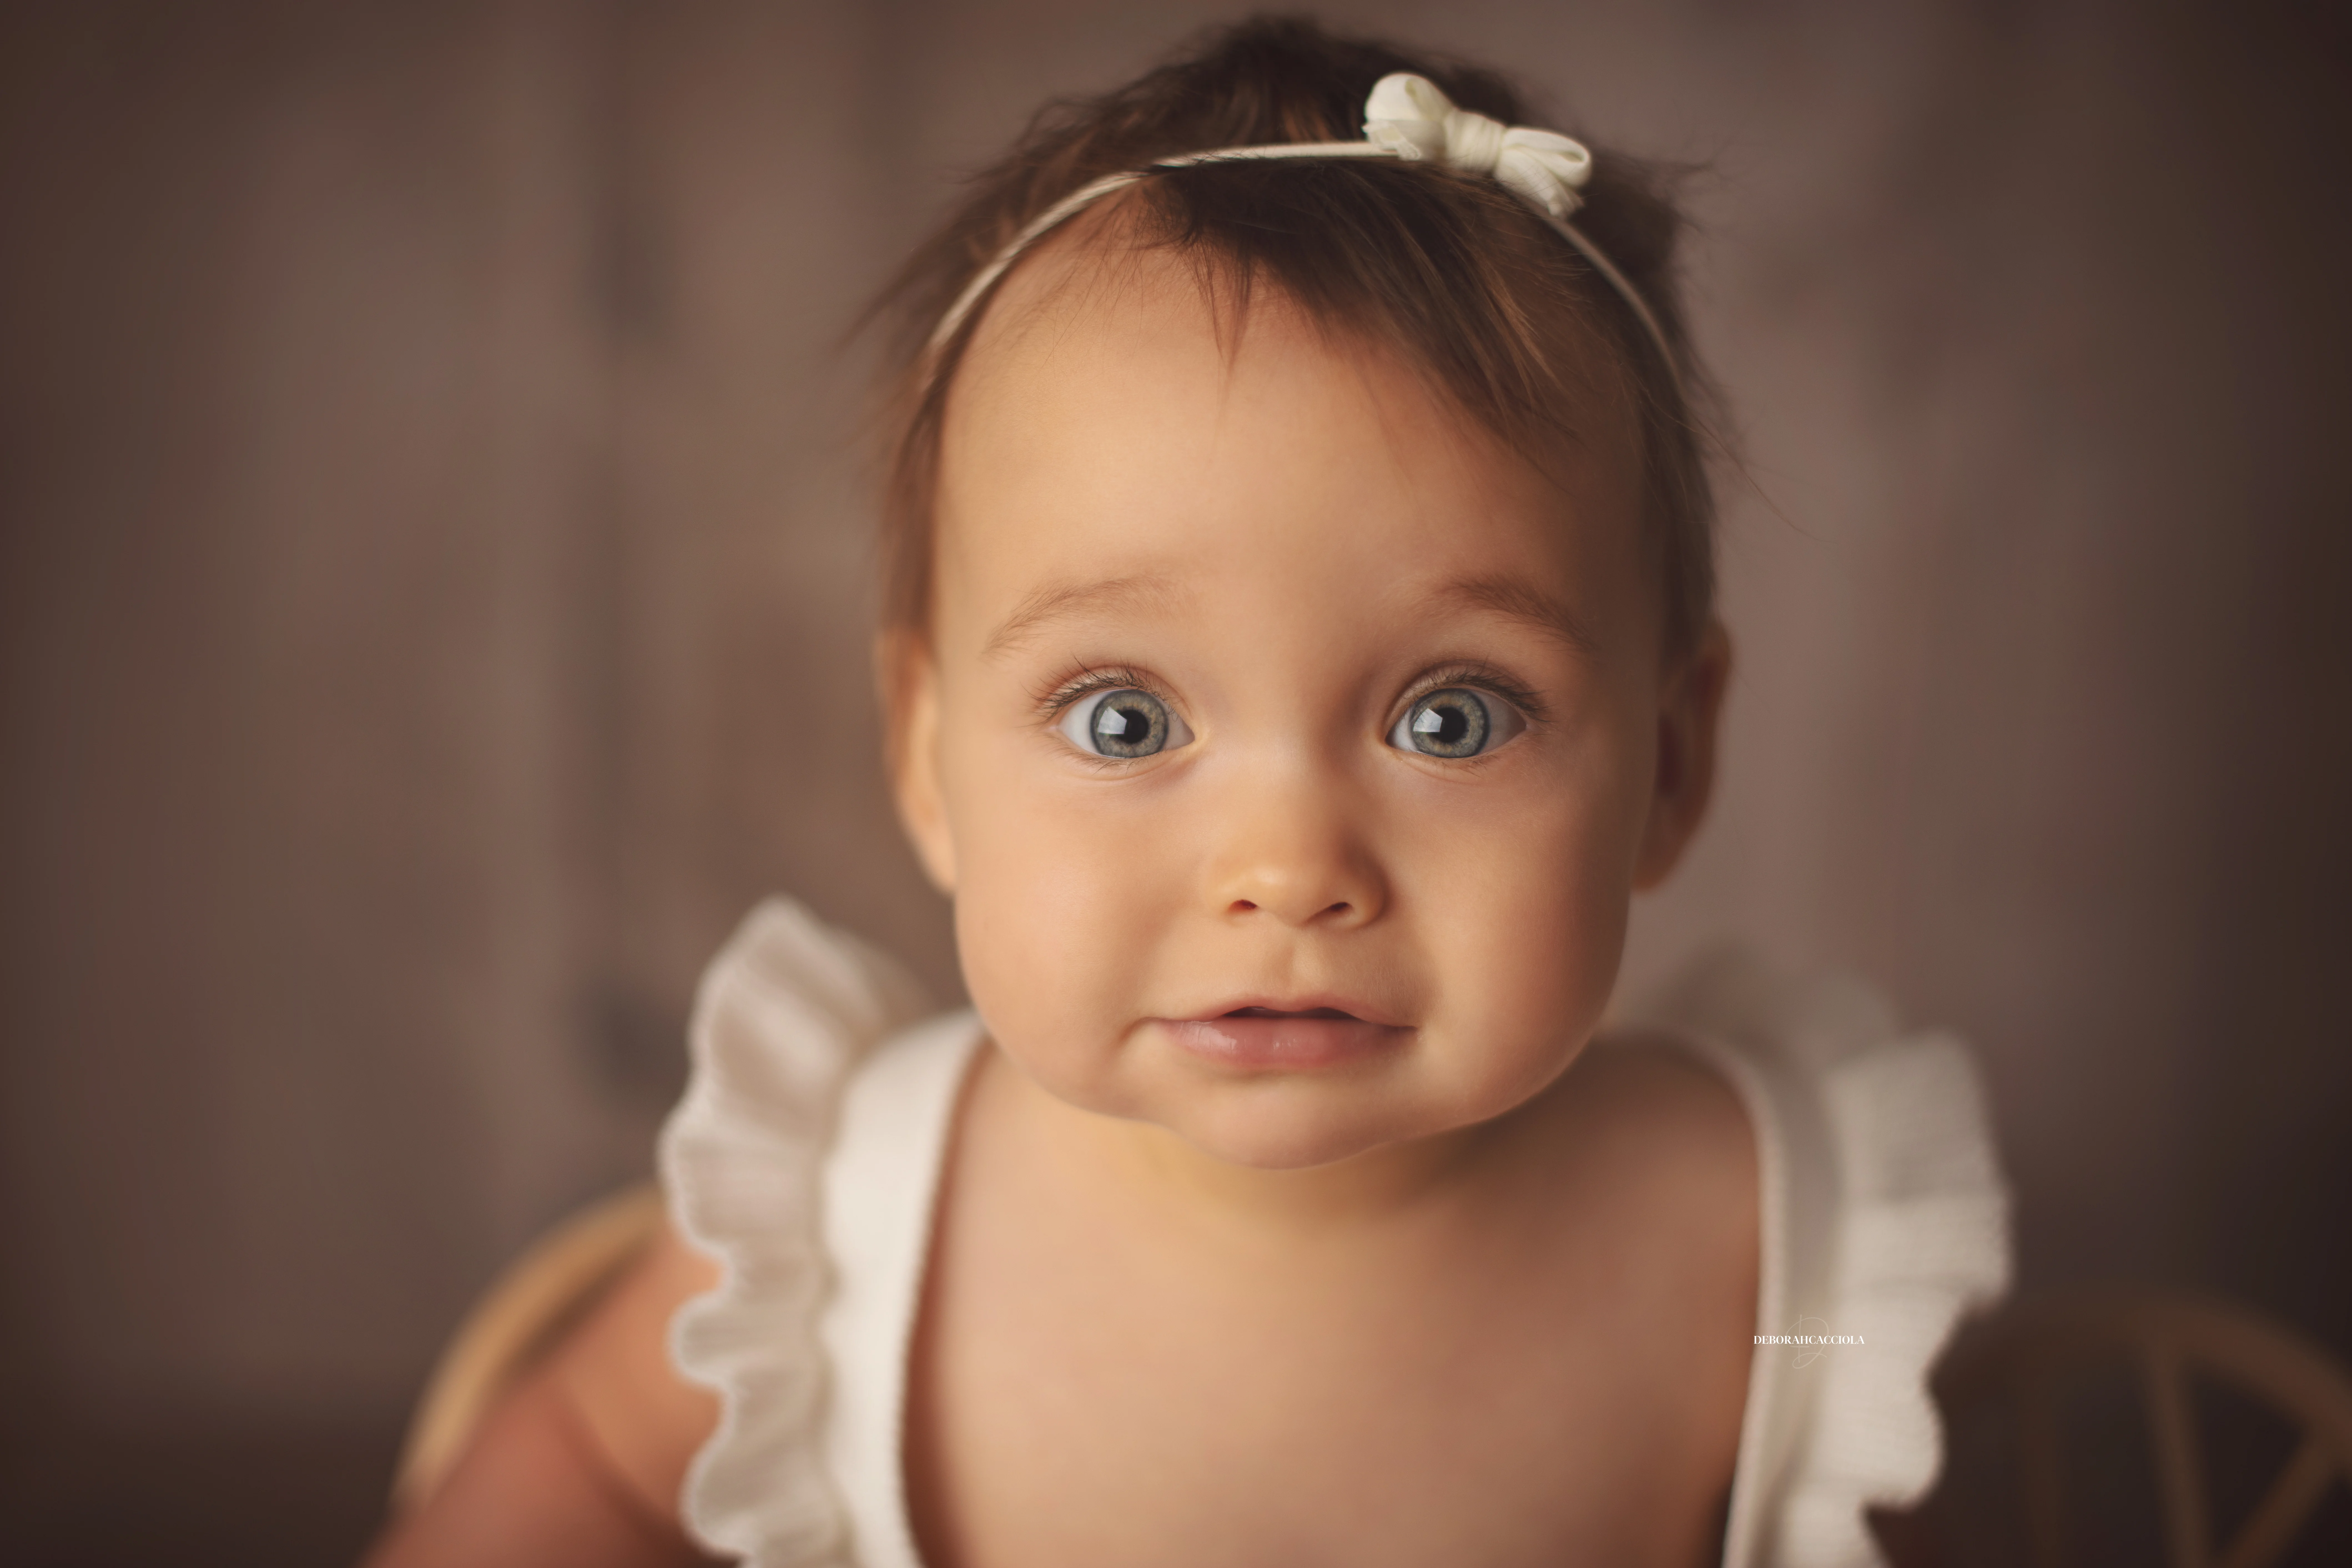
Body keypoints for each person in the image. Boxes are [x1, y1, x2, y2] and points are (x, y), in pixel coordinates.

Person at [363, 17, 2010, 1568]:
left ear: (1671, 762)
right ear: (926, 757)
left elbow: (1856, 1492)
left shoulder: (1759, 1247)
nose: (1288, 871)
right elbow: (575, 1459)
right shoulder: (842, 1222)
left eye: (1450, 718)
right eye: (1125, 718)